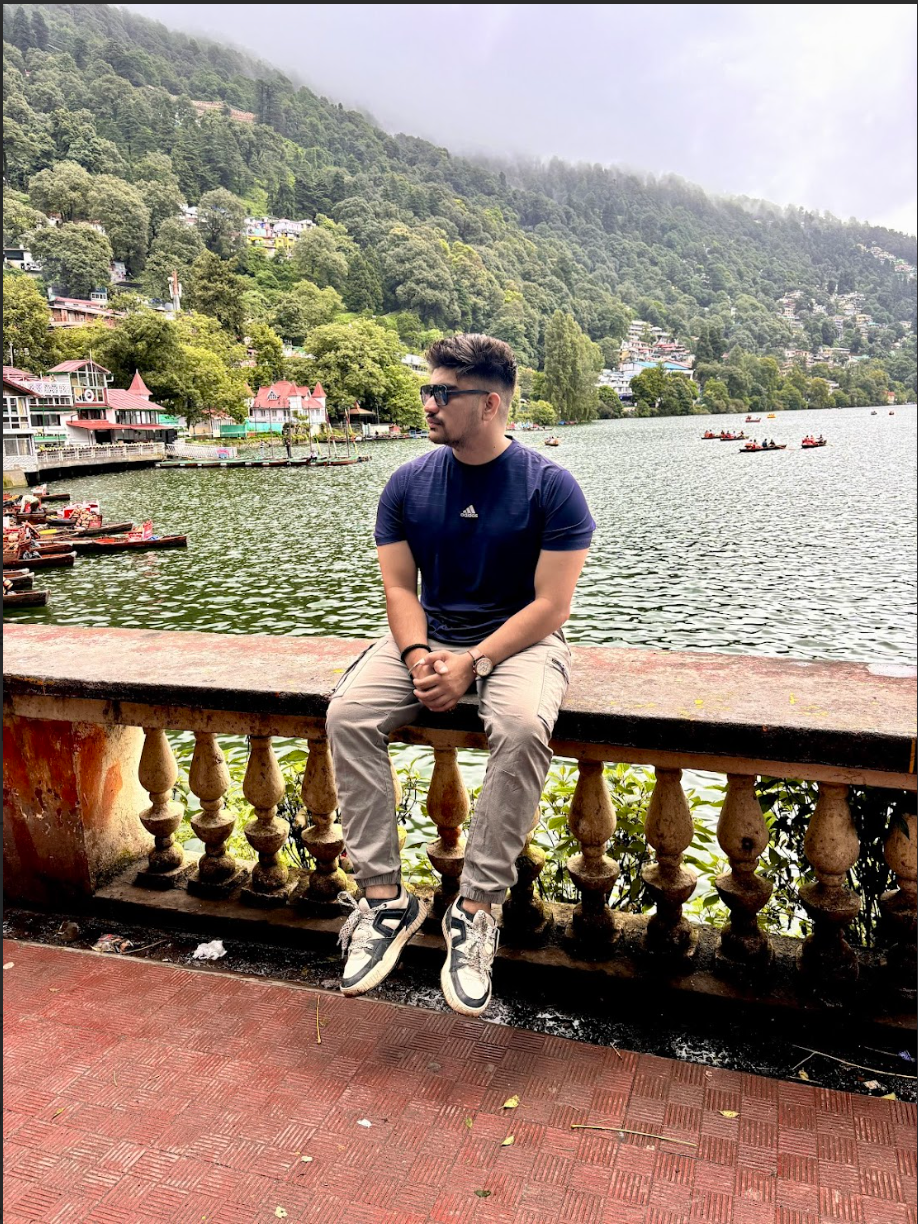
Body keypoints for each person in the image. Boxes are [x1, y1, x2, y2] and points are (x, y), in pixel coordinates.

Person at [326, 333, 595, 1017]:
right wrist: (417, 657)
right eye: (427, 390)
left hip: (521, 641)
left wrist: (475, 661)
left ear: (490, 404)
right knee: (348, 714)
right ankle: (385, 900)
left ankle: (475, 910)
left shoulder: (551, 487)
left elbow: (551, 605)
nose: (428, 404)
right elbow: (399, 587)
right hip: (430, 634)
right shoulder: (407, 483)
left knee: (522, 727)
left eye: (443, 393)